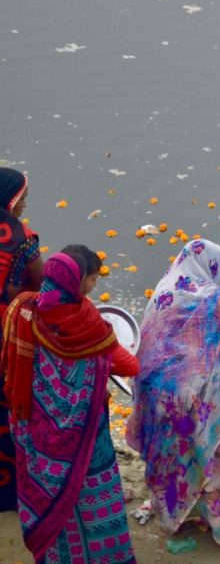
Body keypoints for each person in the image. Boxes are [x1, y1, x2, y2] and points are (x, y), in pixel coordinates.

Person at [1, 248, 139, 563]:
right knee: (91, 497)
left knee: (53, 502)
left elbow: (10, 365)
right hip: (86, 437)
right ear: (77, 282)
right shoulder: (86, 322)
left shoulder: (20, 310)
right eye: (91, 280)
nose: (92, 286)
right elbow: (128, 366)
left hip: (37, 436)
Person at [125, 239, 220, 545]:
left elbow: (145, 344)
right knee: (212, 455)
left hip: (159, 395)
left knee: (172, 457)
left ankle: (173, 516)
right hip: (197, 397)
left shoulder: (163, 291)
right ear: (212, 266)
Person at [0, 168, 43, 513]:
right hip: (8, 333)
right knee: (10, 402)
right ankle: (11, 492)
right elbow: (41, 284)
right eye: (22, 197)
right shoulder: (22, 237)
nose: (25, 204)